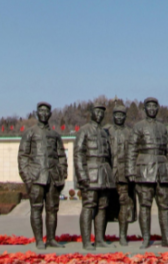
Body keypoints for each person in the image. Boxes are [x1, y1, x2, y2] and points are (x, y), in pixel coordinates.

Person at [126, 97, 168, 249]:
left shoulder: (162, 128)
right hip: (144, 171)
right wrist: (130, 170)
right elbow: (132, 149)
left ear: (157, 109)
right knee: (145, 205)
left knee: (165, 206)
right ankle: (146, 239)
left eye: (154, 106)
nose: (151, 109)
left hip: (162, 171)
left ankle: (167, 239)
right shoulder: (138, 127)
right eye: (148, 106)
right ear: (145, 109)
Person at [17, 102, 68, 249]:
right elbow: (23, 156)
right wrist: (27, 178)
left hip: (53, 177)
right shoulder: (30, 133)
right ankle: (39, 239)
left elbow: (62, 156)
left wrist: (62, 174)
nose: (44, 114)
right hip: (36, 177)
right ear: (37, 113)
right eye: (41, 111)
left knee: (52, 209)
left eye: (47, 111)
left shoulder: (55, 135)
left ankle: (51, 239)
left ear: (50, 114)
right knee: (36, 208)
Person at [74, 101, 115, 250]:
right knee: (89, 206)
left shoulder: (105, 132)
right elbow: (78, 155)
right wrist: (82, 176)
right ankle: (86, 241)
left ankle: (99, 239)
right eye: (96, 111)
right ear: (91, 113)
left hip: (104, 172)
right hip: (90, 173)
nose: (99, 114)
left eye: (102, 112)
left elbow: (109, 155)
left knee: (103, 207)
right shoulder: (84, 130)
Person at [104, 103, 135, 246]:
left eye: (122, 115)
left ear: (125, 116)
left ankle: (122, 235)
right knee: (103, 204)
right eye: (116, 114)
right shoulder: (106, 131)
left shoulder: (130, 132)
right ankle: (100, 236)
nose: (119, 117)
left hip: (123, 174)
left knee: (124, 204)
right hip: (108, 173)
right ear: (113, 116)